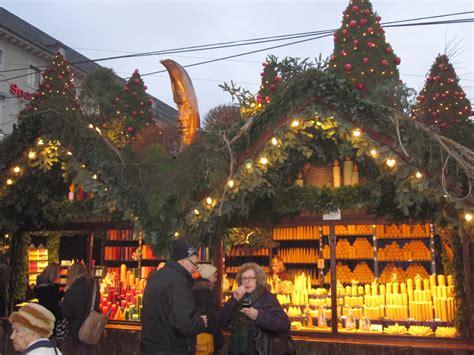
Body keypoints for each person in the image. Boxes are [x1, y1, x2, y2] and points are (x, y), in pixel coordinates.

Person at [141, 239, 208, 354]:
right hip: (172, 349)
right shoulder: (179, 282)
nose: (195, 269)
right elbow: (185, 325)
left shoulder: (155, 275)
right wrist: (201, 322)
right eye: (194, 264)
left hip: (151, 347)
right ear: (183, 261)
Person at [218, 262, 290, 355]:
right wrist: (234, 300)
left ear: (257, 280)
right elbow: (221, 321)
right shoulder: (238, 297)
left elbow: (284, 325)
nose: (247, 282)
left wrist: (258, 315)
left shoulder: (267, 298)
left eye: (250, 278)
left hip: (259, 351)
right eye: (244, 278)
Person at [61, 262, 100, 355]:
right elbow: (97, 304)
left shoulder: (72, 289)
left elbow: (67, 313)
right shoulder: (94, 284)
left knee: (80, 350)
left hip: (78, 328)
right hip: (92, 326)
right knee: (91, 349)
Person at [194, 263, 224, 354]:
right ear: (208, 276)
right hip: (206, 333)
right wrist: (219, 339)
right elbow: (210, 316)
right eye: (214, 276)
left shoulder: (198, 290)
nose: (216, 279)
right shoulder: (205, 293)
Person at [34, 263, 64, 335]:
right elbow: (53, 301)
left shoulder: (39, 286)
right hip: (51, 317)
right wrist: (62, 293)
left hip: (42, 315)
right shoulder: (52, 288)